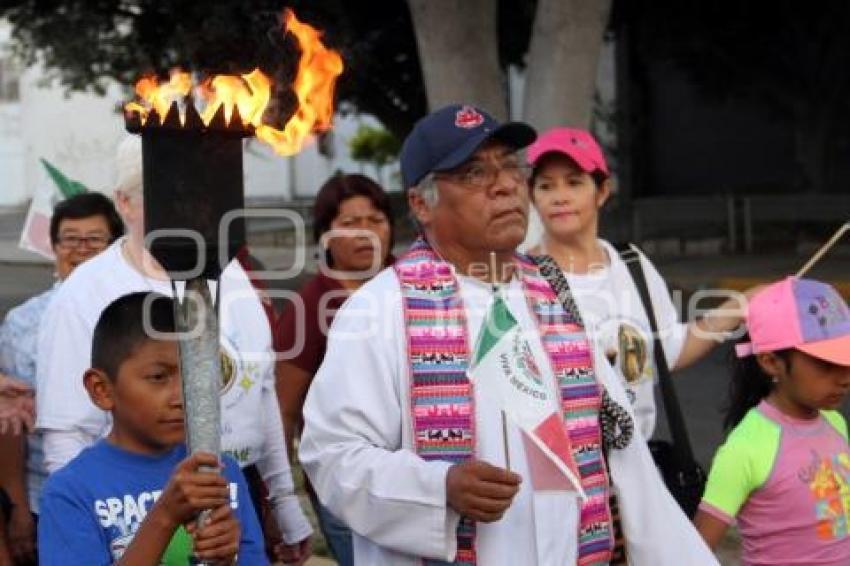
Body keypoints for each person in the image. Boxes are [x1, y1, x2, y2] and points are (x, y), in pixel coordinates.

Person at [299, 103, 717, 565]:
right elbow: (332, 454)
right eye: (475, 173)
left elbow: (625, 454)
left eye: (511, 167)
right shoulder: (380, 309)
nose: (505, 185)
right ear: (422, 203)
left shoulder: (554, 297)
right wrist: (439, 488)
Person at [34, 136, 312, 563]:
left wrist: (284, 504)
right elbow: (64, 433)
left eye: (200, 193)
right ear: (125, 203)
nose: (188, 208)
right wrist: (95, 511)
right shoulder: (83, 293)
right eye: (168, 194)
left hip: (229, 487)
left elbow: (263, 393)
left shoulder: (230, 275)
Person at [526, 127, 750, 438]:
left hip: (638, 467)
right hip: (560, 473)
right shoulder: (521, 277)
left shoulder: (630, 263)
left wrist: (740, 305)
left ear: (602, 191)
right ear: (533, 197)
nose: (560, 197)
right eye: (546, 186)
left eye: (574, 183)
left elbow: (669, 349)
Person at [37, 292, 266, 564]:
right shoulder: (70, 491)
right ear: (102, 390)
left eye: (194, 374)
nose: (183, 397)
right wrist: (165, 517)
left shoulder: (221, 472)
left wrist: (229, 556)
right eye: (159, 377)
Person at [275, 173, 394, 565]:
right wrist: (281, 497)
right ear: (325, 235)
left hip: (418, 479)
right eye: (350, 223)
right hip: (344, 488)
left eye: (376, 219)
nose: (367, 233)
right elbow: (285, 410)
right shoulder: (310, 307)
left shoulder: (414, 286)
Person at [0, 191, 123, 566]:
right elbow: (10, 424)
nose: (81, 249)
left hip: (128, 492)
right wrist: (19, 509)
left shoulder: (136, 315)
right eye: (70, 239)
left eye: (94, 239)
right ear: (53, 247)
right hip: (46, 494)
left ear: (115, 245)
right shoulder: (22, 323)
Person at [695, 277, 850, 565]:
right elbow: (693, 552)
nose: (844, 377)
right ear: (770, 362)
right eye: (827, 364)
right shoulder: (746, 447)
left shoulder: (835, 423)